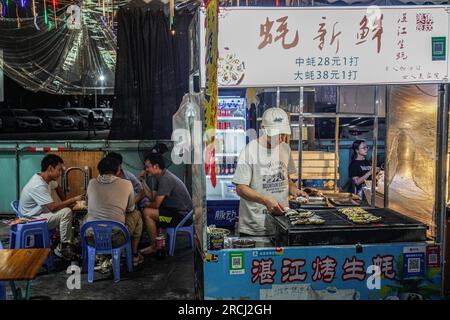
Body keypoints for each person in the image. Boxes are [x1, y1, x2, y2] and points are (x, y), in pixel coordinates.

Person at [232, 107, 308, 236]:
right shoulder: (249, 151)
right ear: (263, 129)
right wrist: (265, 200)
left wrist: (294, 190)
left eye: (283, 134)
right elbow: (240, 188)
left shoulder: (285, 148)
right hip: (256, 227)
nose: (280, 139)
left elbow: (286, 179)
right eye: (276, 134)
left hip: (282, 223)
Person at [18, 154, 85, 260]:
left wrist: (65, 201)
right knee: (66, 212)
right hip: (31, 219)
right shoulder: (38, 184)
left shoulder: (46, 179)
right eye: (59, 170)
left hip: (38, 213)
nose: (60, 174)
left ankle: (61, 243)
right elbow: (52, 208)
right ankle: (63, 248)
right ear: (50, 168)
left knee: (68, 210)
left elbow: (57, 187)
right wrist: (72, 200)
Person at [84, 157, 144, 266]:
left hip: (91, 238)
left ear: (99, 171)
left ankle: (96, 257)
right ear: (117, 170)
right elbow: (130, 209)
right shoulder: (127, 184)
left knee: (87, 217)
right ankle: (134, 255)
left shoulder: (91, 183)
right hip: (116, 239)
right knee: (137, 214)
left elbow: (87, 205)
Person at [139, 153, 193, 255]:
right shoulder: (159, 177)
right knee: (149, 210)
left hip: (181, 218)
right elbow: (152, 197)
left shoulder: (165, 179)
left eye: (147, 167)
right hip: (173, 212)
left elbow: (156, 205)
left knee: (147, 213)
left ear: (156, 166)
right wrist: (142, 181)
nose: (146, 169)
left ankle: (154, 246)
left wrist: (146, 204)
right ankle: (158, 243)